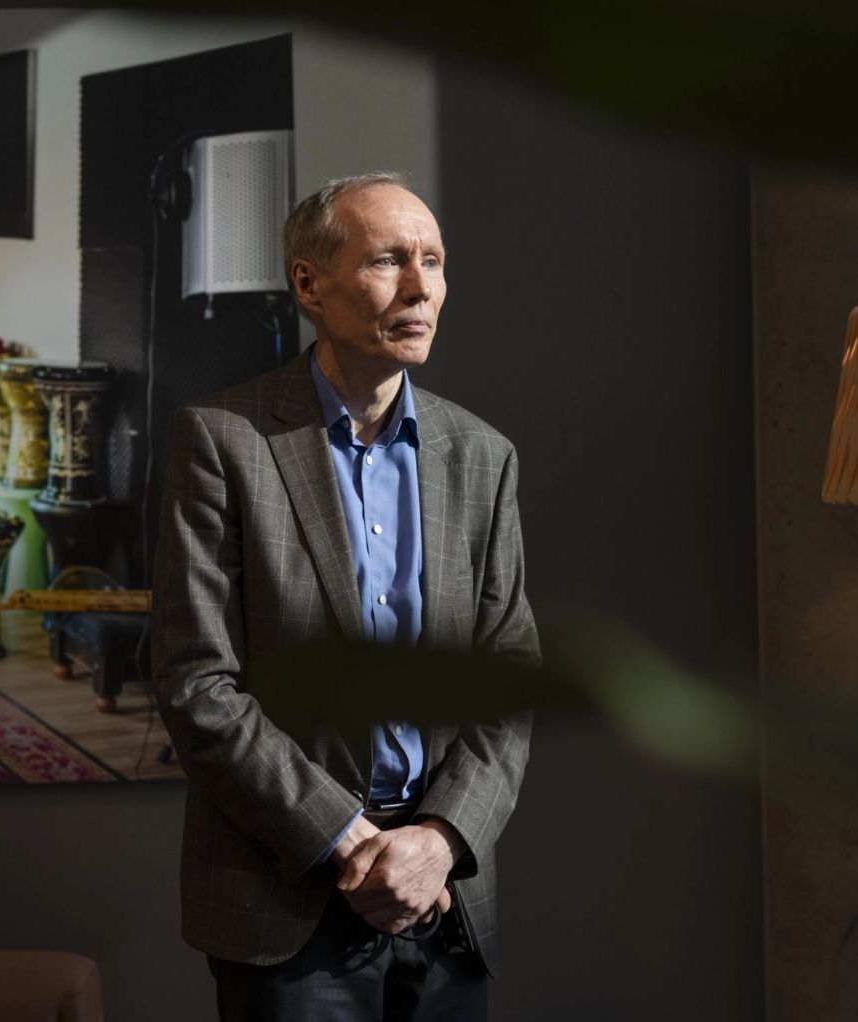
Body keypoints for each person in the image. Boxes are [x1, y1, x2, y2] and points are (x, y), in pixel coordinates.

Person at [152, 172, 539, 1020]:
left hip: (443, 896)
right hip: (287, 892)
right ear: (309, 284)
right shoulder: (222, 441)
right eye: (388, 261)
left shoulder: (482, 456)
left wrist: (437, 841)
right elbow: (196, 681)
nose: (421, 288)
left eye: (434, 261)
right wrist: (350, 841)